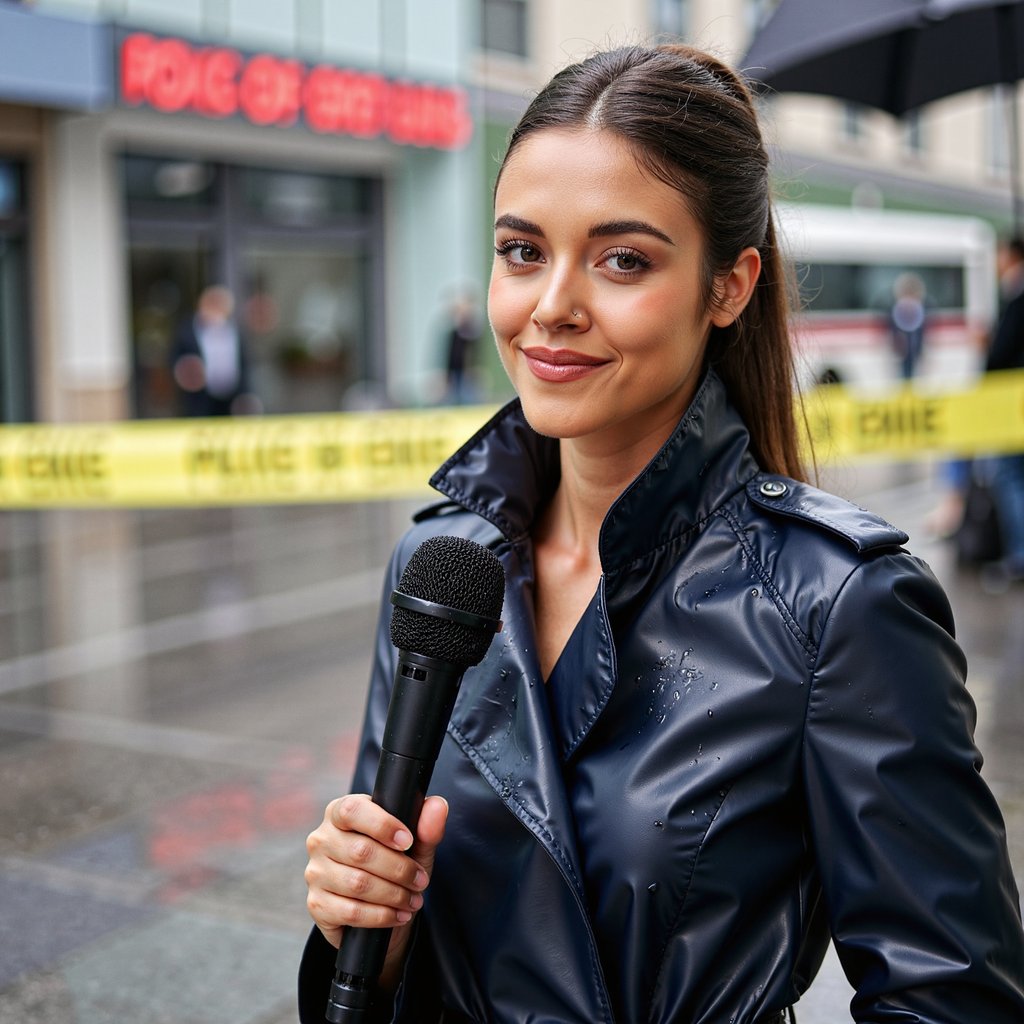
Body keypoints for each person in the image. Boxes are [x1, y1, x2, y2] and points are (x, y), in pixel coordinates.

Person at [300, 43, 1024, 1023]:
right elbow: (408, 938)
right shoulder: (442, 566)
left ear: (727, 286)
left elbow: (955, 1000)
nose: (551, 305)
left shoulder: (835, 606)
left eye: (622, 259)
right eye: (522, 250)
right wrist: (361, 933)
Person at [981, 236, 1024, 586]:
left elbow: (1000, 356)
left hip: (1014, 407)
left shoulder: (1017, 297)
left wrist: (988, 346)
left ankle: (1019, 558)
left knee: (1009, 476)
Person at [171, 284, 254, 416]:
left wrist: (246, 393)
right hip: (200, 397)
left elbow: (243, 363)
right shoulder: (187, 331)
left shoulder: (234, 331)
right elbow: (175, 359)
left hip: (231, 393)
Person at [887, 271, 928, 380]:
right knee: (904, 374)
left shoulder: (918, 309)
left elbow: (921, 331)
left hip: (914, 348)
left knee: (915, 375)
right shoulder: (898, 309)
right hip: (904, 350)